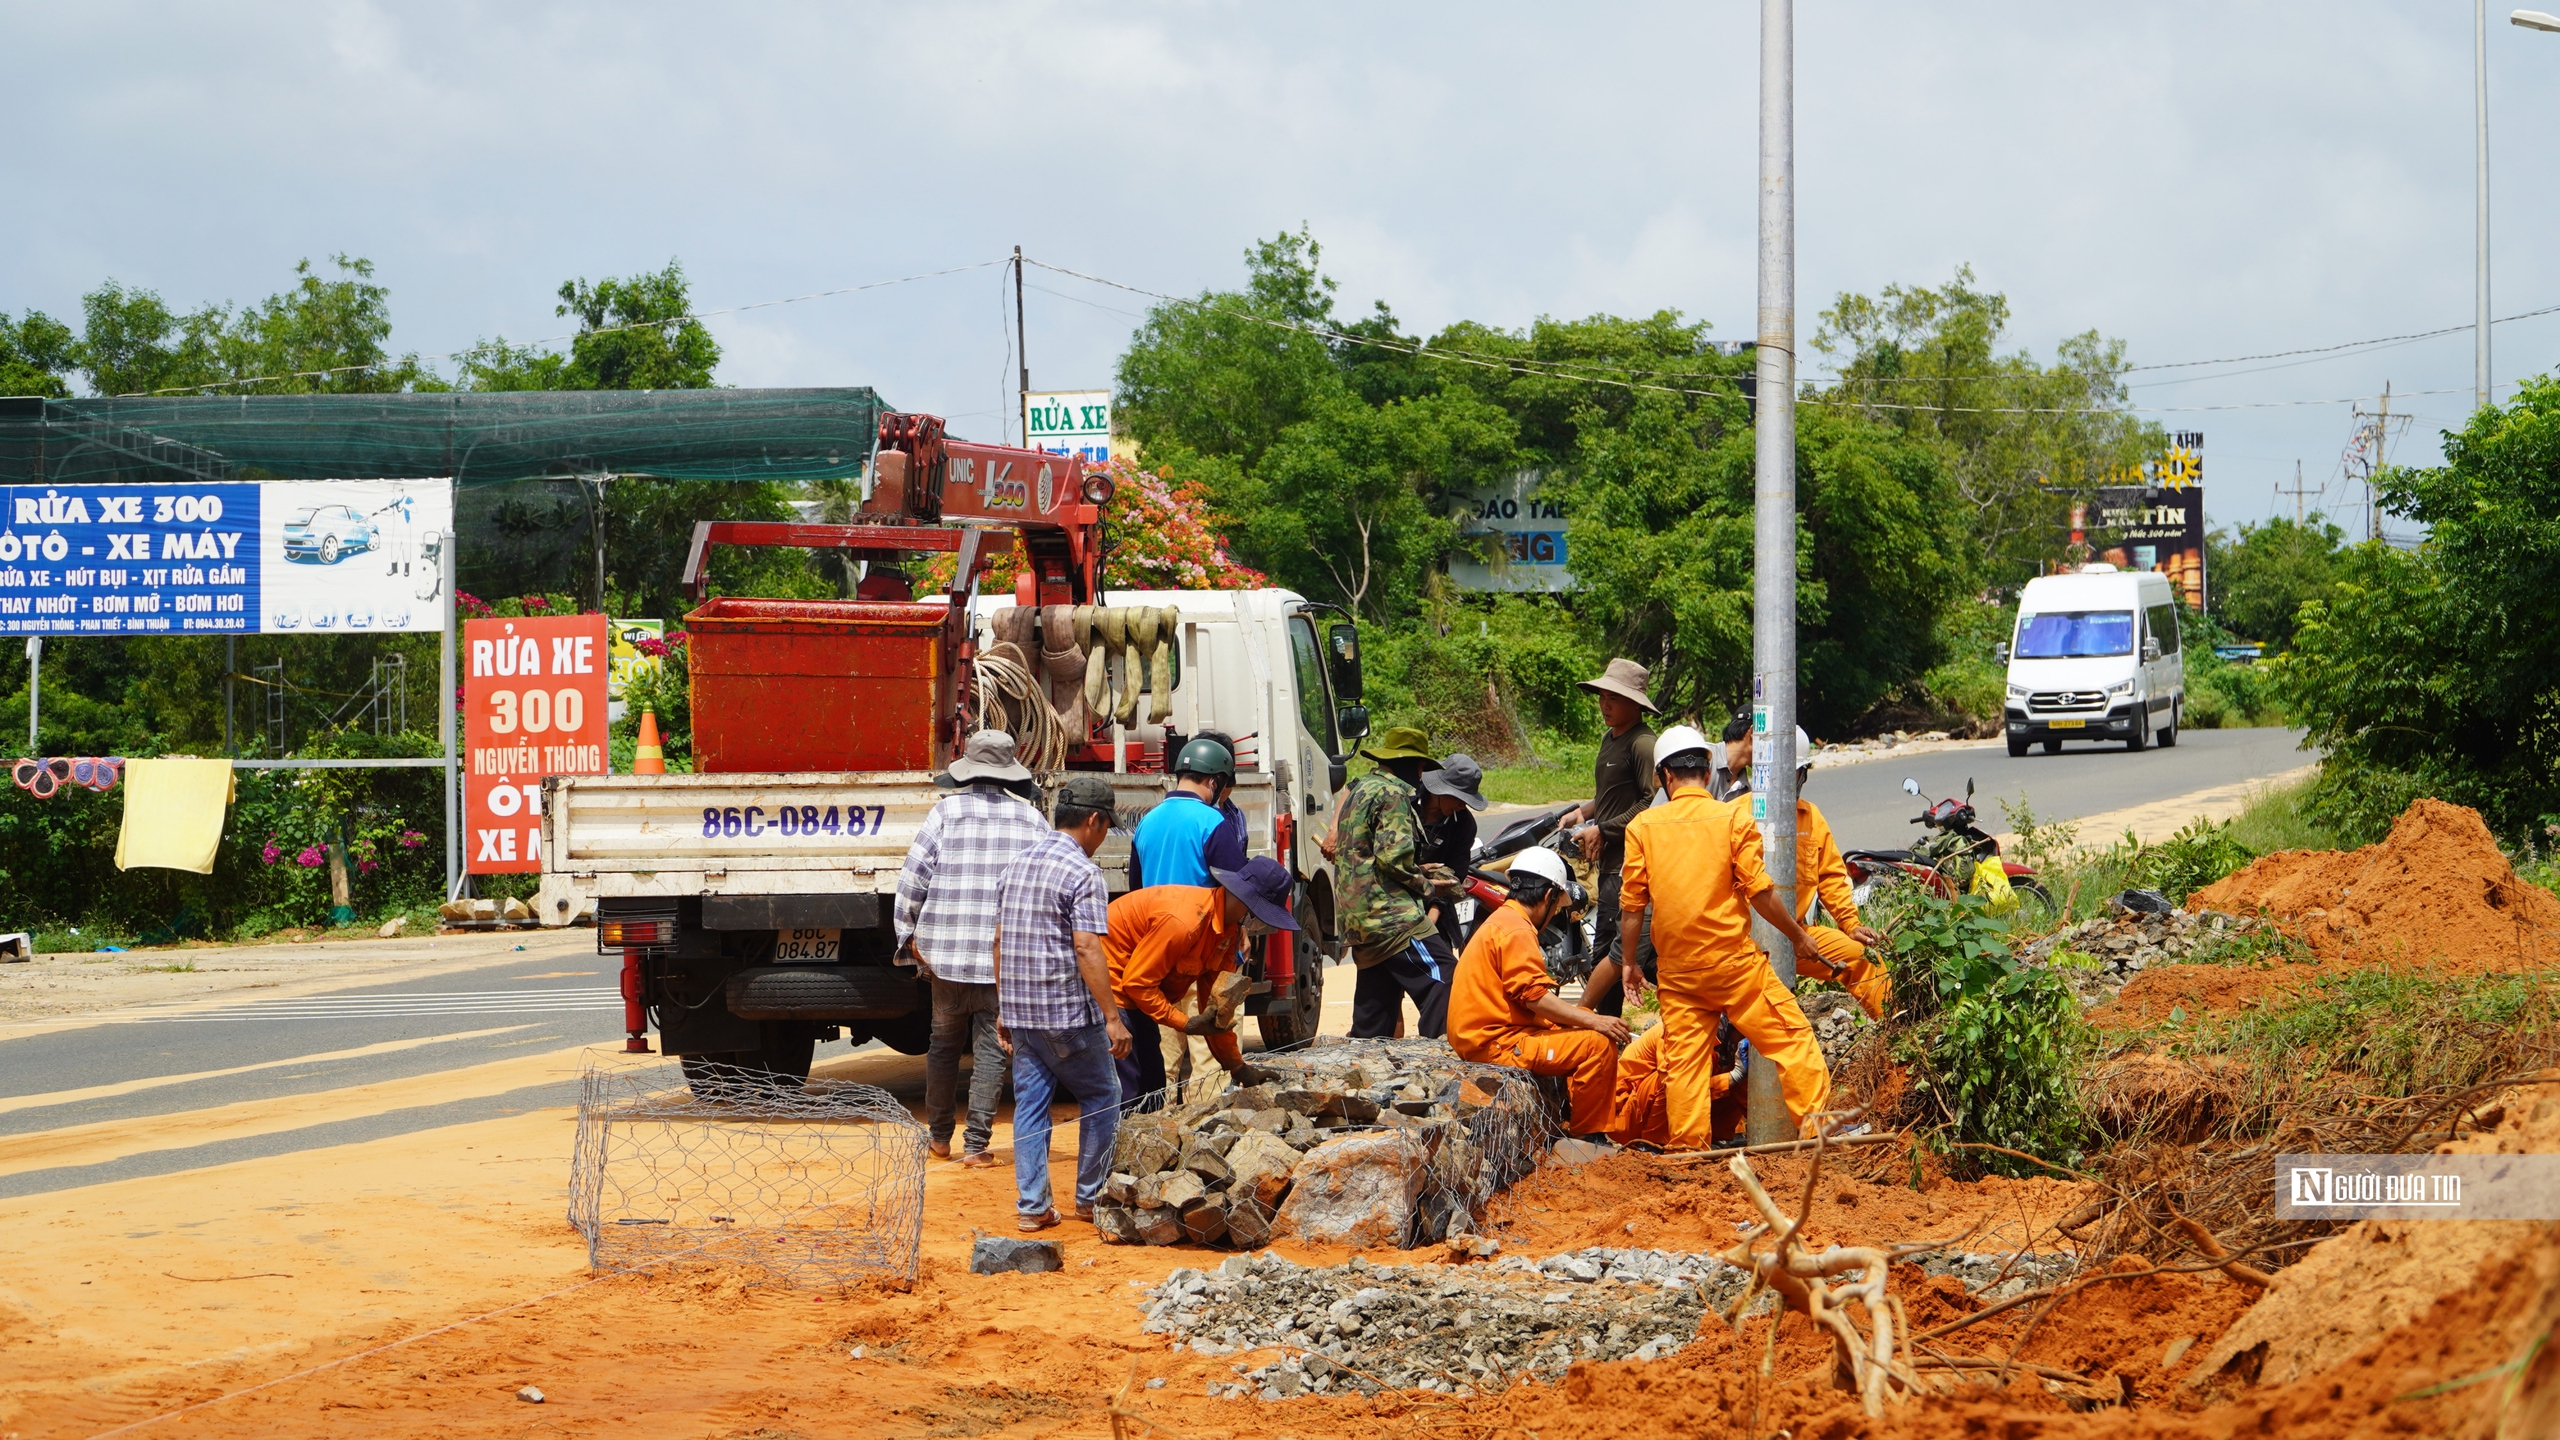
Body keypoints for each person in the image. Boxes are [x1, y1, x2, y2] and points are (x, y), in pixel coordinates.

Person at [1618, 724, 1834, 1144]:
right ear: (1708, 769)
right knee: (1792, 1040)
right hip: (1735, 969)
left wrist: (1629, 963)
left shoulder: (1642, 827)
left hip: (1679, 975)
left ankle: (1688, 1153)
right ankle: (1819, 1134)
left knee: (1684, 1066)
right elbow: (1761, 893)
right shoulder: (1732, 817)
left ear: (1665, 777)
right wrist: (1797, 935)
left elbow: (1631, 908)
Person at [893, 729, 1050, 1167]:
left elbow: (912, 881)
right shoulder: (1032, 820)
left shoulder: (945, 813)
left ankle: (939, 1138)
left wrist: (908, 939)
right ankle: (977, 1146)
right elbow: (1043, 889)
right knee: (991, 1050)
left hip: (945, 958)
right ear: (1009, 773)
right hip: (1003, 961)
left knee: (942, 1045)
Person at [992, 774, 1129, 1232]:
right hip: (1068, 1016)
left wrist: (1003, 1008)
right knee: (1103, 1094)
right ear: (1094, 820)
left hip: (1023, 1013)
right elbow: (1087, 946)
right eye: (1106, 825)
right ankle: (1089, 1199)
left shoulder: (1017, 864)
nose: (1104, 835)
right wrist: (1112, 1018)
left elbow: (998, 941)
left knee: (1030, 1107)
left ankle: (1033, 1207)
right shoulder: (1083, 872)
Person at [1446, 848, 1632, 1141]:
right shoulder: (1517, 929)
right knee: (1598, 1043)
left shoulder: (1503, 920)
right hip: (1496, 1045)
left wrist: (1584, 1019)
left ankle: (1574, 1112)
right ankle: (1589, 1137)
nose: (1555, 914)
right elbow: (1533, 997)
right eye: (1557, 907)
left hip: (1489, 1036)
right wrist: (1596, 1023)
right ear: (1548, 897)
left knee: (1583, 1018)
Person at [1718, 719, 1891, 1021]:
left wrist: (1849, 924)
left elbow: (1831, 876)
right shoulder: (1732, 815)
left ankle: (1895, 1033)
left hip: (1796, 937)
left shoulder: (1810, 819)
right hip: (1739, 943)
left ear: (1802, 775)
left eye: (1791, 774)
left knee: (1862, 957)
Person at [1107, 855, 1300, 1103]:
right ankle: (1115, 1139)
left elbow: (1217, 1009)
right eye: (1261, 914)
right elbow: (1137, 982)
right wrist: (1185, 1022)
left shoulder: (1227, 934)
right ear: (1246, 902)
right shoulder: (1185, 922)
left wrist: (1237, 1067)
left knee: (1152, 1083)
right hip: (1112, 982)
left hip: (1134, 990)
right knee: (1131, 1087)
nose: (1260, 923)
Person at [1334, 725, 1457, 1039]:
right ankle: (1441, 1058)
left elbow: (1366, 854)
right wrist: (1427, 885)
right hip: (1391, 918)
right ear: (1406, 762)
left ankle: (1364, 1076)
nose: (1421, 775)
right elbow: (1392, 859)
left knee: (1375, 1015)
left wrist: (1417, 869)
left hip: (1358, 920)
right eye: (1420, 766)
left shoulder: (1360, 789)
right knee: (1446, 977)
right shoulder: (1393, 794)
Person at [1561, 659, 1658, 1019]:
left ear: (1635, 703)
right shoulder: (1610, 738)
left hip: (1630, 865)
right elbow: (1612, 795)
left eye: (1613, 698)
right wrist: (1585, 813)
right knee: (1607, 951)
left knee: (1618, 955)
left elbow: (1651, 802)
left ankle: (1601, 1028)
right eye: (1602, 696)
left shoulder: (1643, 744)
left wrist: (1604, 828)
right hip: (1609, 864)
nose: (1605, 704)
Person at [1129, 737, 1246, 889]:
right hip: (1197, 913)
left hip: (1152, 913)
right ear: (1213, 783)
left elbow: (1135, 889)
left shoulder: (1145, 822)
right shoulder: (1213, 821)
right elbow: (1238, 890)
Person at [1608, 1024, 1748, 1149]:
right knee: (1675, 1078)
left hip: (1667, 1111)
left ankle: (1708, 1140)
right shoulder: (1685, 1029)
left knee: (1738, 1079)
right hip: (1627, 1116)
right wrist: (1732, 1077)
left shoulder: (1730, 1047)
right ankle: (1654, 1145)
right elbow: (1677, 1086)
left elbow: (1748, 1097)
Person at [1418, 753, 1489, 950]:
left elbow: (1453, 876)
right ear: (1441, 791)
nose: (1462, 806)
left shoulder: (1464, 825)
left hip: (1435, 906)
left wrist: (1431, 918)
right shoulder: (1405, 801)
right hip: (1395, 904)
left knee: (1443, 970)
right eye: (1459, 799)